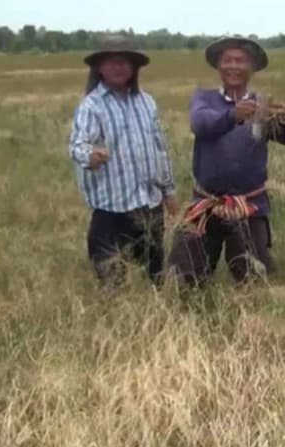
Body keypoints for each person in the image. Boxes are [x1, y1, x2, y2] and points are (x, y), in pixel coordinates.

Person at [166, 37, 285, 286]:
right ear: (218, 66)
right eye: (227, 60)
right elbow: (200, 124)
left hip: (248, 205)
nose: (233, 66)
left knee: (254, 278)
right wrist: (232, 115)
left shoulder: (262, 104)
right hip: (206, 202)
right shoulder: (204, 98)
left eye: (240, 60)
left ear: (251, 68)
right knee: (182, 279)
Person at [68, 35, 176, 288]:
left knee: (154, 275)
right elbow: (77, 145)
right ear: (100, 68)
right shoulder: (91, 106)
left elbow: (160, 148)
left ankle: (156, 317)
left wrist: (168, 191)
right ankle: (115, 319)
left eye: (125, 62)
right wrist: (90, 156)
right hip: (111, 208)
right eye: (111, 62)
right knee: (111, 278)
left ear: (134, 68)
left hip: (149, 203)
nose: (119, 68)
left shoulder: (146, 102)